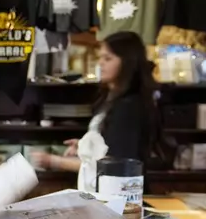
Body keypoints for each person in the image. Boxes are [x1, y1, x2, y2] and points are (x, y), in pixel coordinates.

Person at [32, 31, 160, 172]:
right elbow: (109, 145)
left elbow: (114, 162)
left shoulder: (129, 106)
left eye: (107, 58)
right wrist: (85, 147)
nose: (100, 63)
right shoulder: (111, 99)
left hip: (119, 190)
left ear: (127, 62)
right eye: (100, 57)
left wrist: (55, 162)